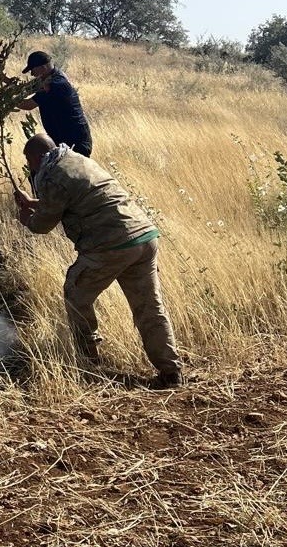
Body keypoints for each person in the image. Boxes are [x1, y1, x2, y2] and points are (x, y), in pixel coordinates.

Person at [13, 133, 184, 389]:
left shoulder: (53, 176)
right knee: (149, 306)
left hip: (112, 244)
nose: (30, 167)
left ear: (37, 156)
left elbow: (43, 225)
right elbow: (76, 198)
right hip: (143, 237)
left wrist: (26, 218)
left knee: (75, 294)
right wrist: (33, 202)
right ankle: (171, 371)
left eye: (29, 161)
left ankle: (89, 363)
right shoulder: (74, 159)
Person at [15, 51, 92, 157]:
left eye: (33, 70)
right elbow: (24, 88)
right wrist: (5, 81)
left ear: (43, 67)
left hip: (75, 142)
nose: (32, 74)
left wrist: (7, 102)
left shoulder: (55, 85)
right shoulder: (48, 78)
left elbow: (28, 105)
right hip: (62, 140)